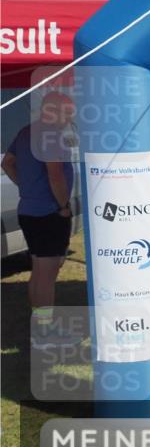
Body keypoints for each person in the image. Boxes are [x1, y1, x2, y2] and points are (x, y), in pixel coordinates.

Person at [1, 91, 76, 328]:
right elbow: (55, 175)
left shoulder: (27, 131)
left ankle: (39, 320)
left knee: (39, 268)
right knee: (47, 272)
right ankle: (44, 327)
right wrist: (63, 206)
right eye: (66, 113)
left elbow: (7, 163)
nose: (68, 118)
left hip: (29, 210)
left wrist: (25, 185)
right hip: (48, 213)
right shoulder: (51, 136)